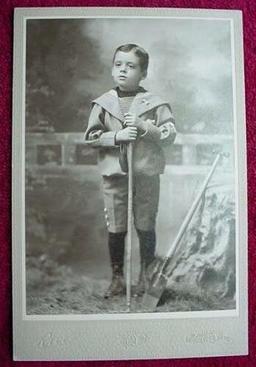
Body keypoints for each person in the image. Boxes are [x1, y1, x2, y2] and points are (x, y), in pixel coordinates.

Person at [84, 44, 176, 298]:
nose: (123, 70)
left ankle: (146, 277)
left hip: (146, 173)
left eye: (131, 66)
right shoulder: (102, 104)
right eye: (118, 64)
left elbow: (169, 135)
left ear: (143, 73)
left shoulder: (156, 104)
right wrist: (117, 135)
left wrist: (146, 127)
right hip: (114, 174)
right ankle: (117, 278)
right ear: (113, 69)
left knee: (145, 222)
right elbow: (91, 137)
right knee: (116, 225)